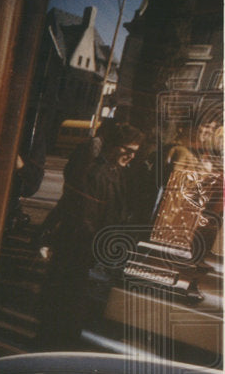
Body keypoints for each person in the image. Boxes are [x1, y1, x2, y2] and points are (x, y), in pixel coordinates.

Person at [36, 123, 144, 349]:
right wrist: (100, 247)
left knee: (72, 304)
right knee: (66, 302)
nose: (131, 156)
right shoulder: (97, 173)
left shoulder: (116, 172)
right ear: (113, 146)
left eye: (135, 152)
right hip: (79, 249)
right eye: (127, 150)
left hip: (89, 249)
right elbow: (85, 216)